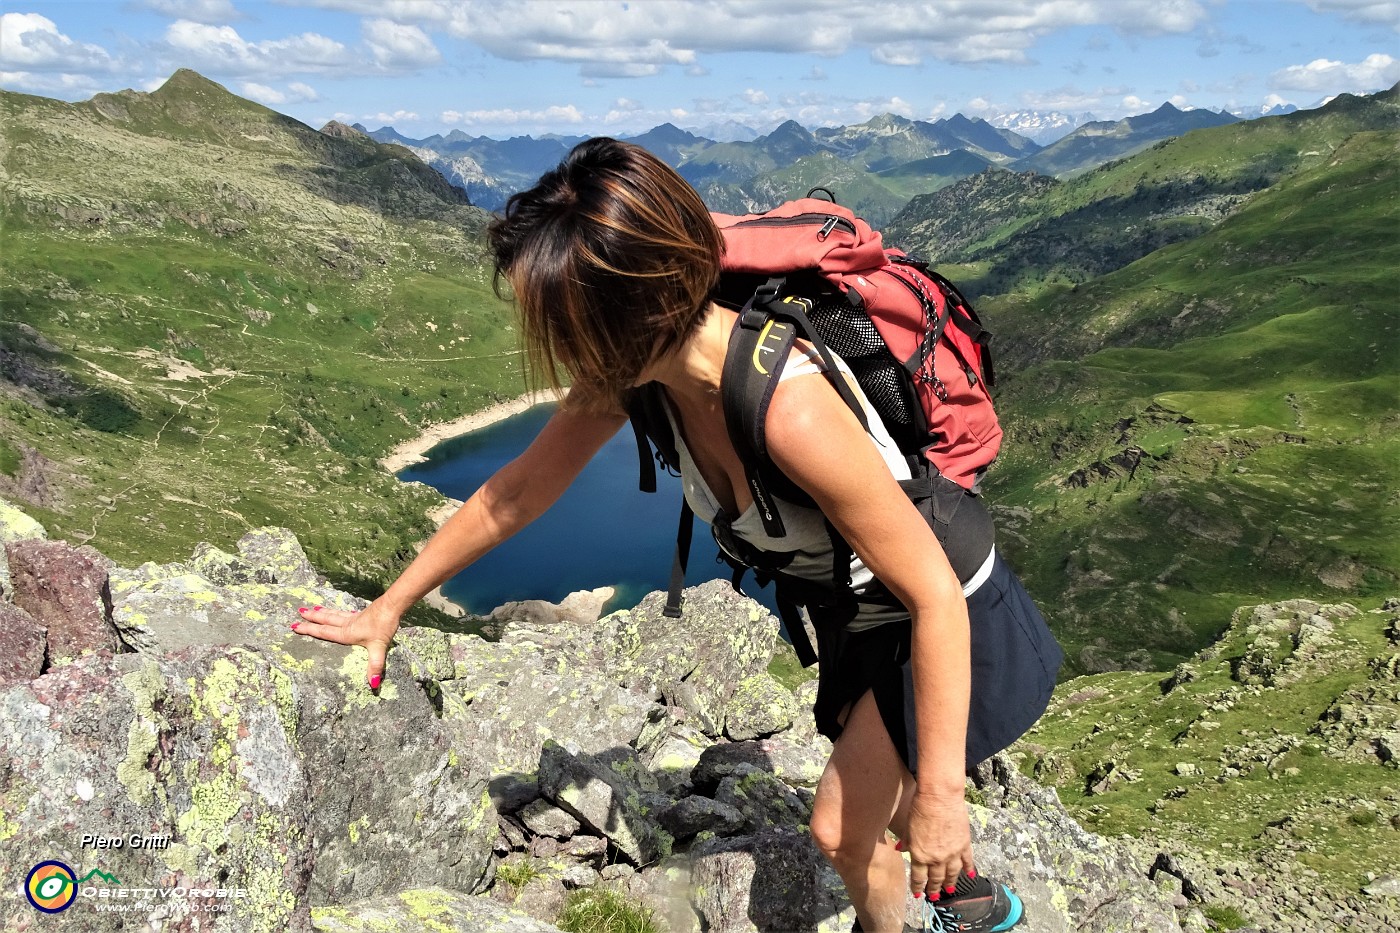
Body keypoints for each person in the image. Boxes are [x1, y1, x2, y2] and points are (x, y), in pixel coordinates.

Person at [291, 137, 1060, 933]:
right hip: (852, 605)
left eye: (558, 318)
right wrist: (386, 608)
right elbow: (513, 494)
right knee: (882, 811)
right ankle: (972, 904)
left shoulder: (789, 408)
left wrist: (944, 795)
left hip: (938, 603)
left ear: (635, 310)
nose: (550, 343)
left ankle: (927, 913)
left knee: (842, 828)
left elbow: (933, 592)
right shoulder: (634, 376)